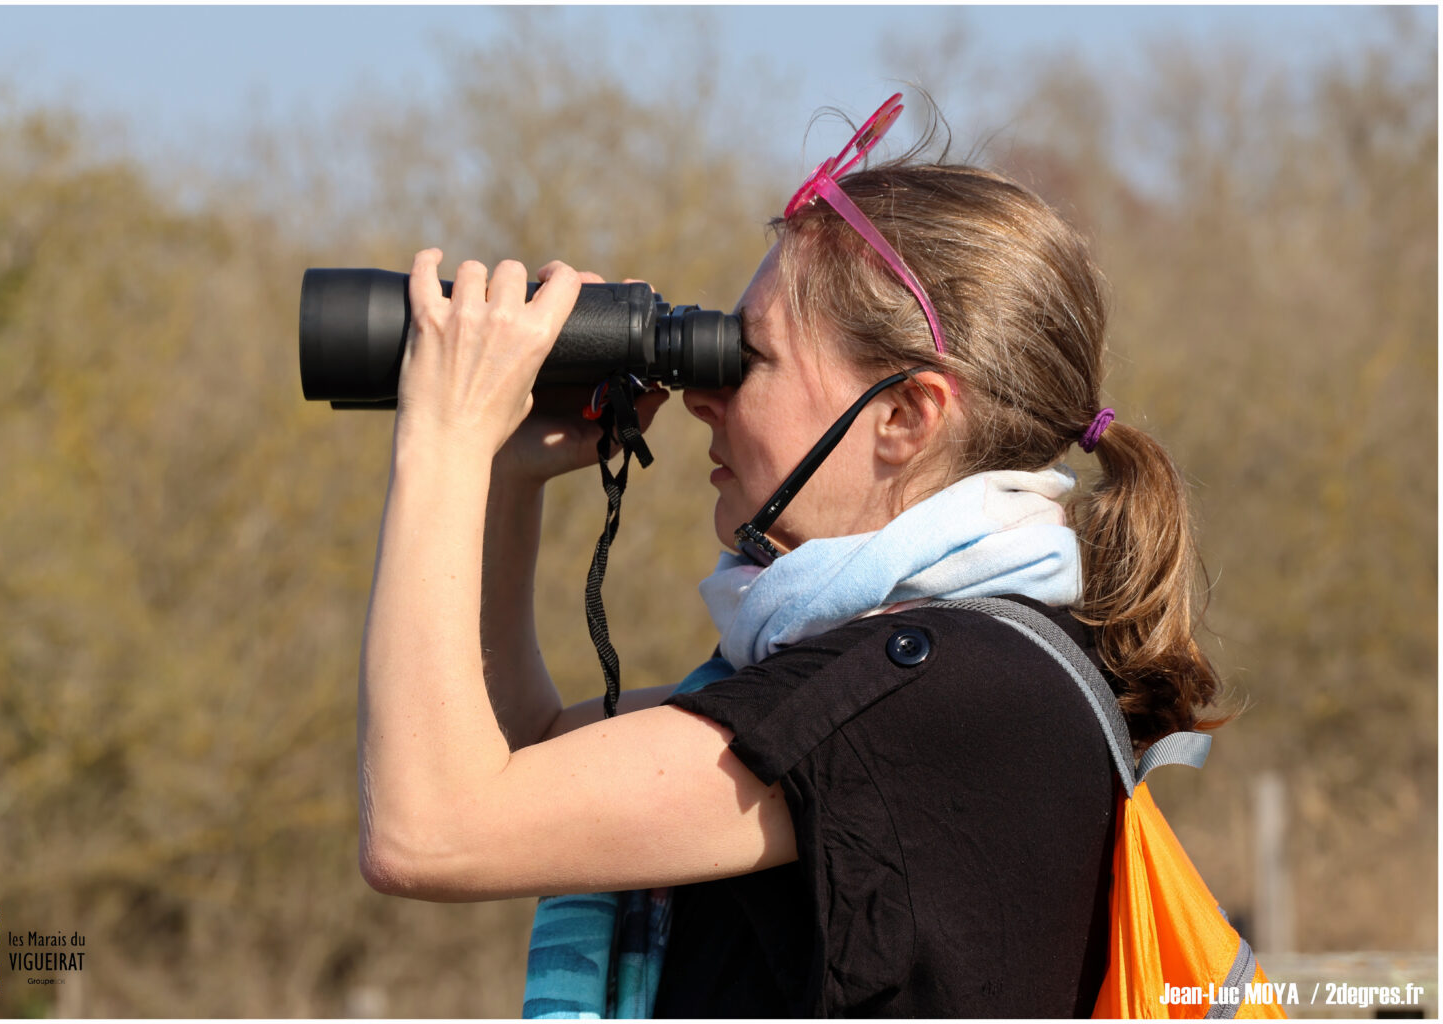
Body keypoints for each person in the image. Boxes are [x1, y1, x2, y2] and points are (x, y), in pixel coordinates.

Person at [356, 96, 1226, 1017]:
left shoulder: (927, 692)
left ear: (903, 418)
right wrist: (503, 479)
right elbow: (513, 760)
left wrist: (443, 436)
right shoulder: (934, 669)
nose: (702, 400)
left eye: (751, 358)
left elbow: (431, 830)